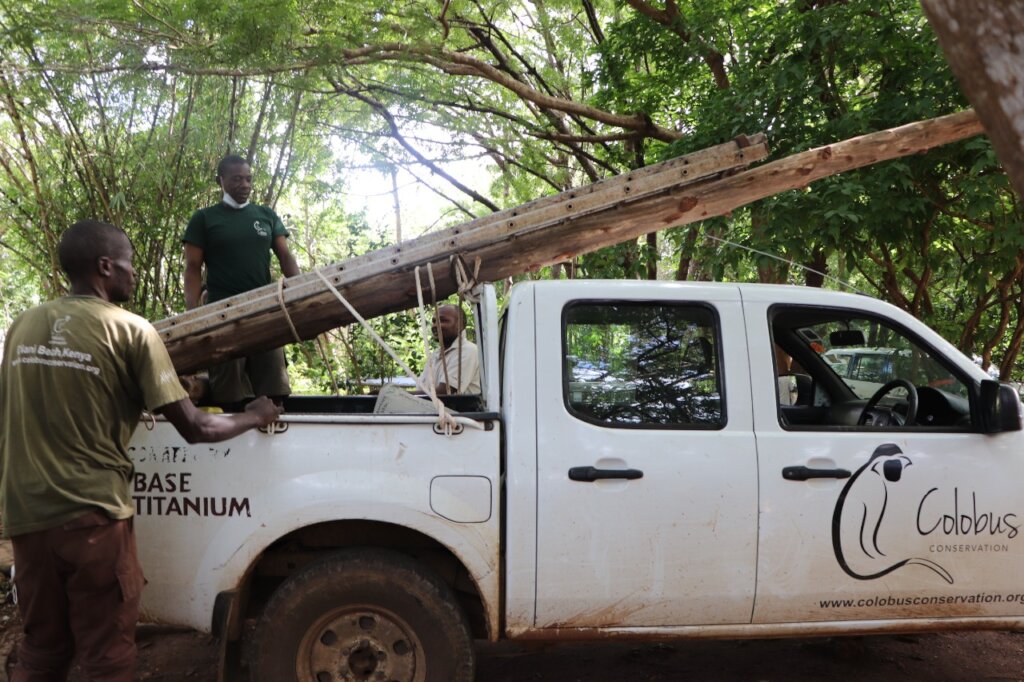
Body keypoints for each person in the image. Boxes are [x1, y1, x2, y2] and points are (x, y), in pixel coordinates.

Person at [0, 220, 282, 681]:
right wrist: (256, 415)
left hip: (26, 518)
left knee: (42, 650)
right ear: (106, 266)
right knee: (106, 656)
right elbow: (196, 427)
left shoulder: (23, 326)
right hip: (92, 518)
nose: (134, 274)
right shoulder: (130, 330)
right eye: (129, 264)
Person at [182, 154, 300, 408]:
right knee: (229, 390)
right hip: (222, 312)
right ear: (221, 181)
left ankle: (272, 435)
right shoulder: (204, 219)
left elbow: (285, 256)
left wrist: (301, 292)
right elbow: (192, 268)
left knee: (273, 387)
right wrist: (192, 312)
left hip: (266, 309)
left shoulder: (265, 215)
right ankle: (233, 440)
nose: (244, 184)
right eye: (236, 179)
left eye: (248, 179)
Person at [420, 304, 481, 395]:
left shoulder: (468, 351)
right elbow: (423, 389)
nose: (435, 325)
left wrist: (401, 395)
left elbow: (445, 391)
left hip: (457, 409)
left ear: (461, 325)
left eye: (443, 320)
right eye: (434, 321)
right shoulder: (435, 355)